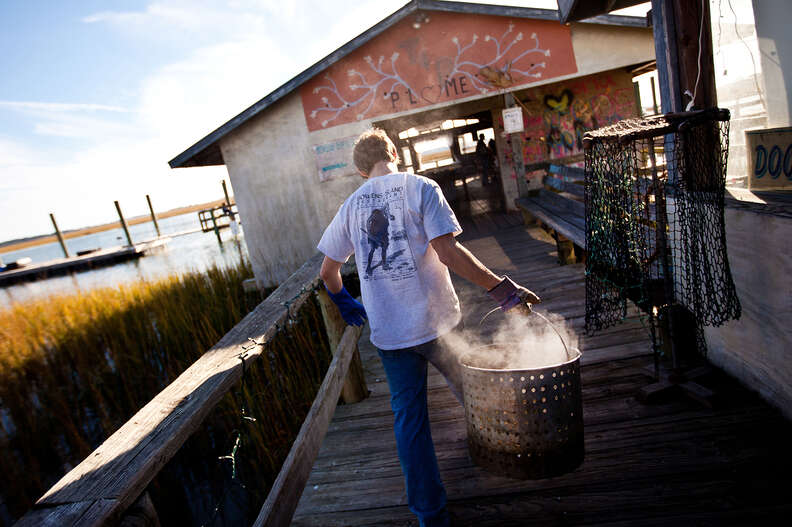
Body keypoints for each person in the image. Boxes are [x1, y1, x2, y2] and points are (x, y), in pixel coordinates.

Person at [317, 128, 540, 527]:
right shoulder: (421, 187)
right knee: (469, 391)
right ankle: (507, 453)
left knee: (410, 421)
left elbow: (328, 271)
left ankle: (429, 515)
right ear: (394, 154)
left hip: (390, 334)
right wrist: (502, 291)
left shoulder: (350, 206)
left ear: (358, 169)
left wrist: (343, 300)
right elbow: (448, 251)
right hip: (438, 324)